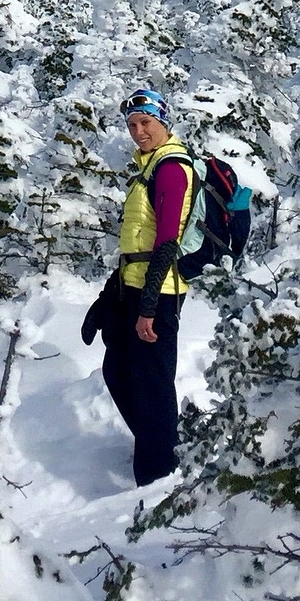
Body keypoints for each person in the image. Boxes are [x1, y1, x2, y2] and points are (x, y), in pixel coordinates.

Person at [80, 87, 197, 486]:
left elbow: (167, 240)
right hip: (134, 285)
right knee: (118, 370)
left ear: (164, 121)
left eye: (146, 122)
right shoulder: (148, 167)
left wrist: (148, 307)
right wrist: (107, 298)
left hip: (159, 293)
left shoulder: (171, 168)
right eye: (132, 125)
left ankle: (158, 478)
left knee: (152, 385)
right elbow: (136, 242)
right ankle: (160, 446)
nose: (138, 132)